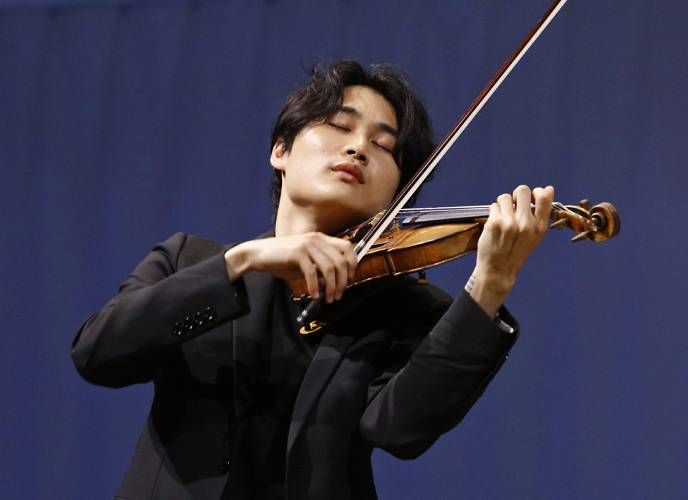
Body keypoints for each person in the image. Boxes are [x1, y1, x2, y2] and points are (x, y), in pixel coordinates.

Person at [71, 60, 555, 500]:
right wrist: (243, 261)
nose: (358, 148)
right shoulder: (188, 261)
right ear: (280, 150)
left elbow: (399, 430)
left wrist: (490, 284)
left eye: (384, 146)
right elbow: (98, 353)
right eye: (340, 126)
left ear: (397, 196)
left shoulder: (409, 308)